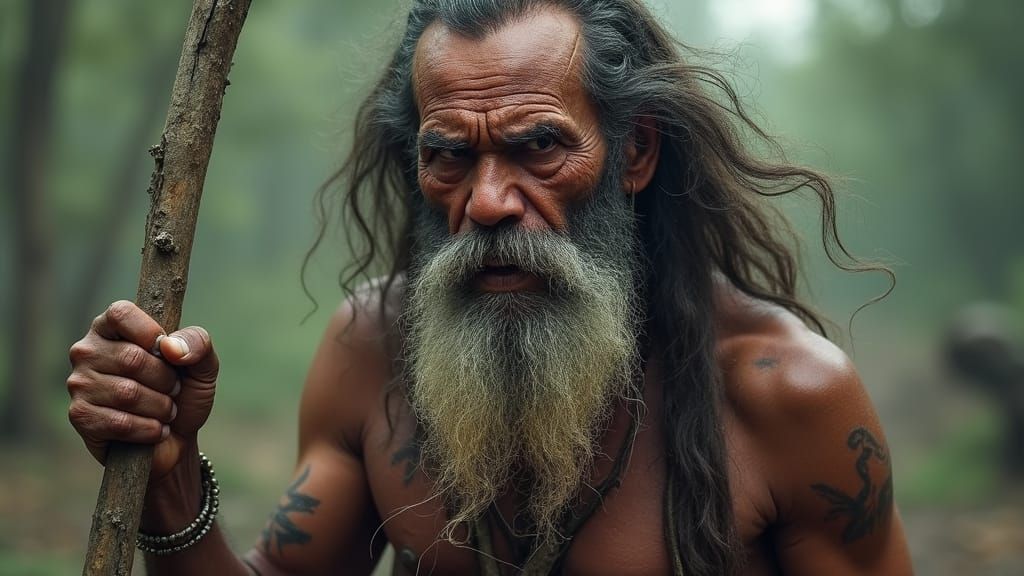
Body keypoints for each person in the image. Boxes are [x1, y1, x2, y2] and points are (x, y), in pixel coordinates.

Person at [66, 1, 914, 574]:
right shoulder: (373, 349)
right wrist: (169, 474)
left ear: (635, 152)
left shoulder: (787, 394)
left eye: (539, 147)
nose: (487, 202)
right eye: (449, 156)